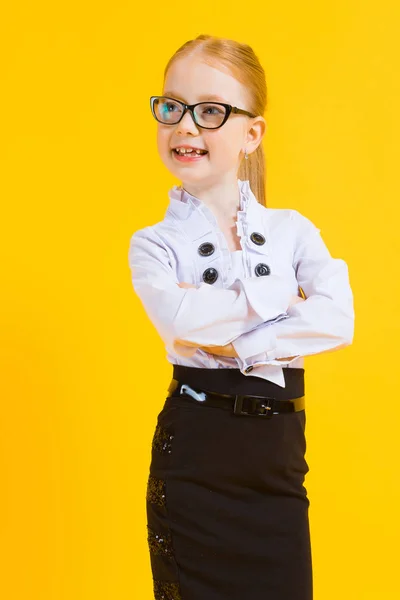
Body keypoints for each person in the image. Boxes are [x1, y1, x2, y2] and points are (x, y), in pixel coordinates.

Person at [128, 34, 354, 600]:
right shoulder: (152, 245)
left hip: (275, 465)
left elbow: (338, 320)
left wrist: (240, 342)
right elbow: (184, 322)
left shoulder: (293, 231)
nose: (185, 126)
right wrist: (284, 306)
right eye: (172, 107)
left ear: (252, 132)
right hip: (195, 459)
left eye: (210, 111)